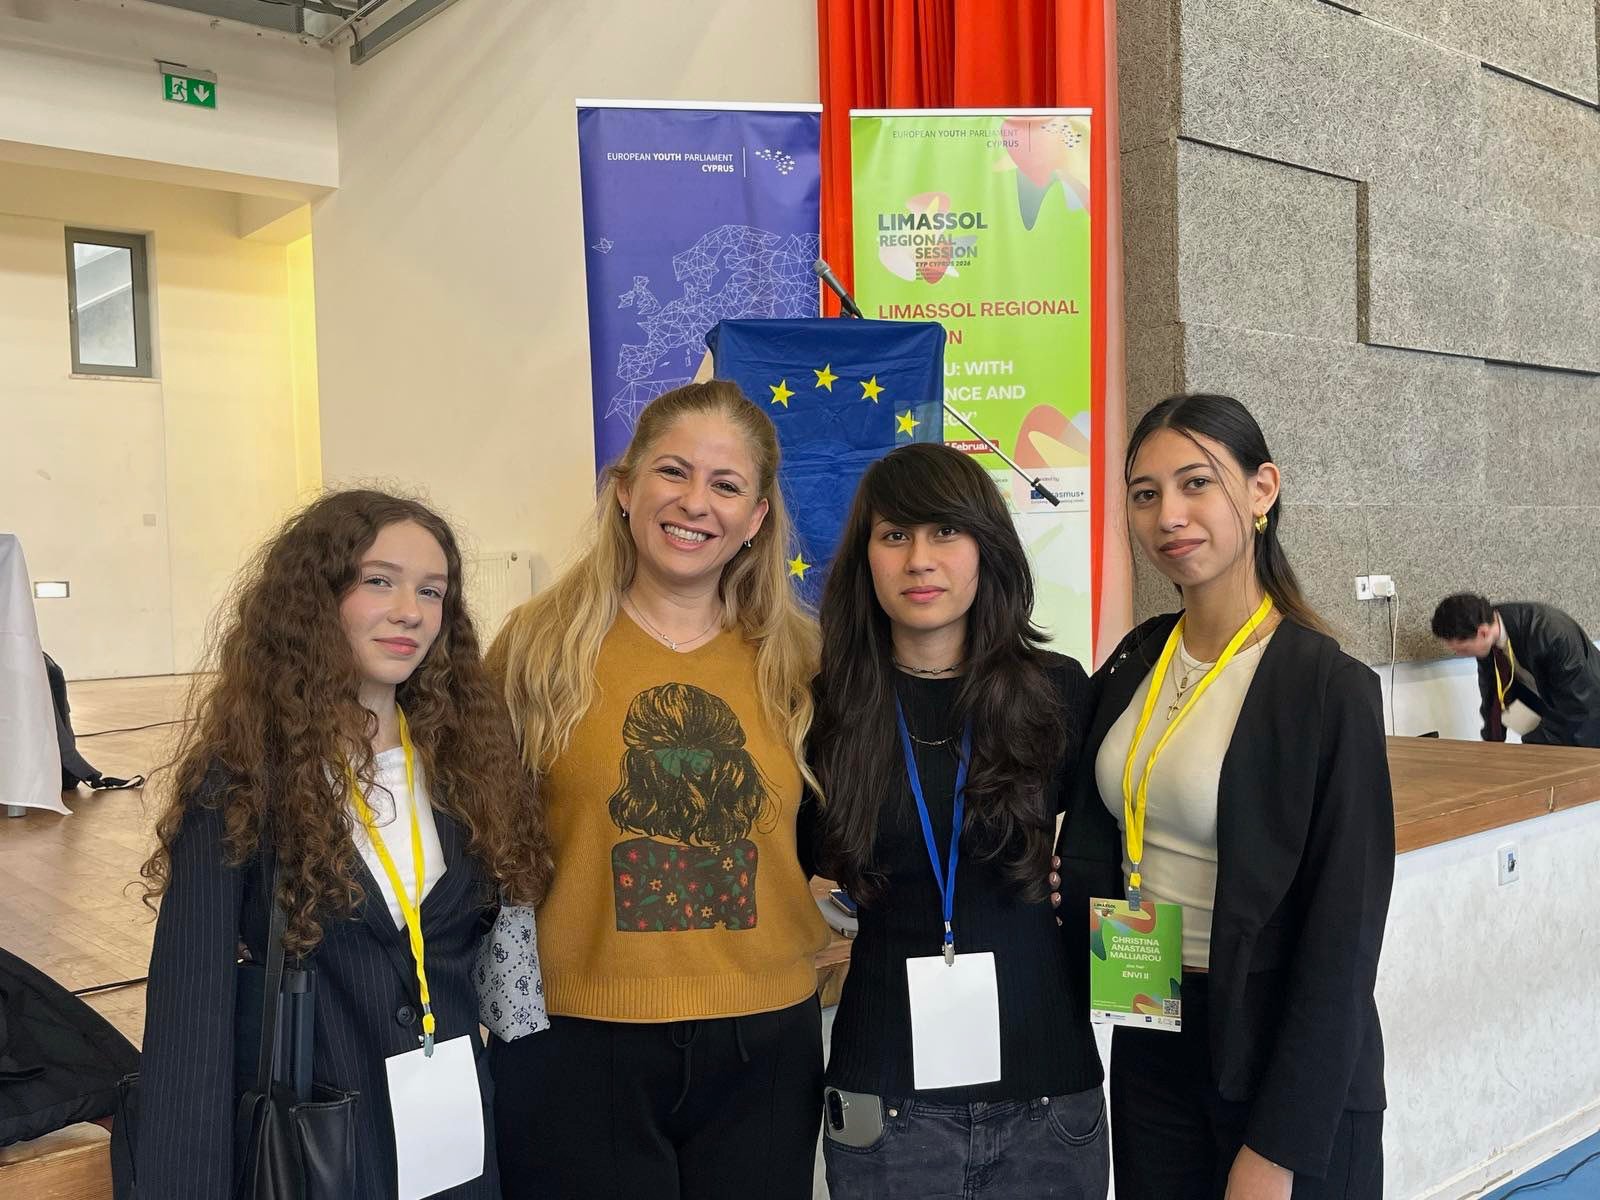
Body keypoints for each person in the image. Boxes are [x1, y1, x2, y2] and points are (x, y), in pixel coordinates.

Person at [136, 490, 550, 1200]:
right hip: (317, 1157)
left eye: (431, 591)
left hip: (456, 1150)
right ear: (315, 599)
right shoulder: (243, 781)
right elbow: (190, 1019)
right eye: (379, 581)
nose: (410, 611)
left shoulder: (471, 768)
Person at [486, 380, 830, 1199]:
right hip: (574, 1040)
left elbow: (841, 834)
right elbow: (479, 831)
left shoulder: (802, 660)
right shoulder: (536, 649)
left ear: (757, 518)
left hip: (765, 1041)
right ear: (624, 487)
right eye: (673, 471)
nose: (694, 502)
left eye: (725, 484)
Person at [1053, 393, 1393, 1200]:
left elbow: (1343, 939)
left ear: (1262, 489)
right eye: (1145, 493)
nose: (1169, 515)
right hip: (1152, 1016)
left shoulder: (1326, 688)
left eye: (1196, 483)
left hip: (1278, 1052)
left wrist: (1278, 1149)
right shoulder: (1137, 658)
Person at [806, 443, 1108, 1198]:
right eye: (894, 535)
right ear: (866, 558)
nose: (920, 559)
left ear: (987, 547)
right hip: (886, 1105)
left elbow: (1115, 851)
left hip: (1050, 1099)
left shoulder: (1058, 693)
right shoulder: (823, 711)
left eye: (946, 531)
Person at [1430, 593, 1600, 747]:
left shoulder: (1551, 636)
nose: (1461, 655)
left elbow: (1580, 711)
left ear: (1483, 633)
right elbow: (1494, 697)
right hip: (1550, 708)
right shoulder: (1489, 634)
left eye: (1463, 650)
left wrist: (1537, 745)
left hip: (1588, 710)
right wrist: (1491, 747)